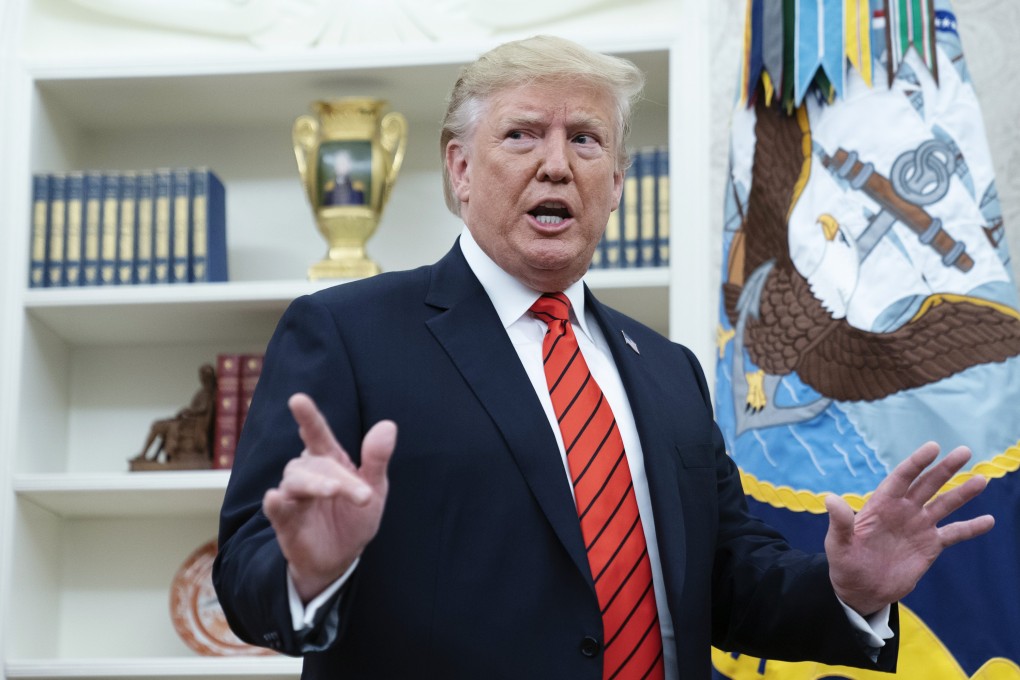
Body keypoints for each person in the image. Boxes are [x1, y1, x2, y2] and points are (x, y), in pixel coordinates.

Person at [213, 35, 994, 679]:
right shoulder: (347, 333)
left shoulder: (667, 369)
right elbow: (247, 568)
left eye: (584, 140)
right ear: (459, 169)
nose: (556, 164)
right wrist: (304, 572)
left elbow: (725, 581)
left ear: (616, 184)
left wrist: (845, 592)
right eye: (522, 134)